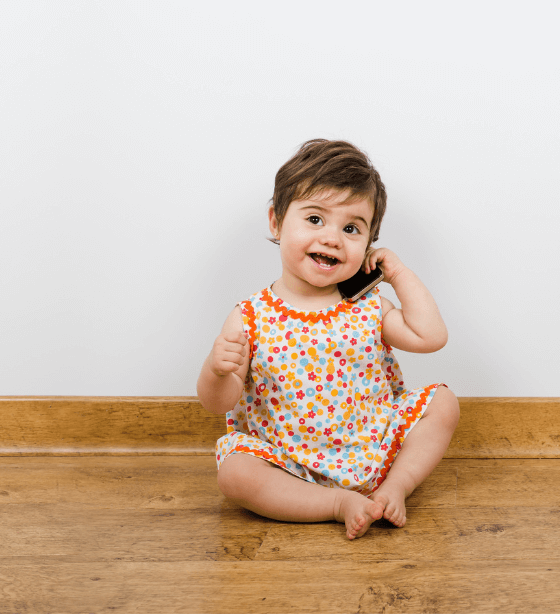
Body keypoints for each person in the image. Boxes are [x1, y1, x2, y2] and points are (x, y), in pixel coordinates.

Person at [197, 139, 459, 540]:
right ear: (275, 221)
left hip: (374, 445)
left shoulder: (368, 305)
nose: (333, 238)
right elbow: (219, 402)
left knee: (443, 402)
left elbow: (431, 337)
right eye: (315, 220)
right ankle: (334, 504)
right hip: (288, 463)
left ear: (369, 243)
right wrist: (217, 370)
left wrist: (398, 273)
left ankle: (396, 487)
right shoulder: (251, 317)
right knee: (235, 472)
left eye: (351, 228)